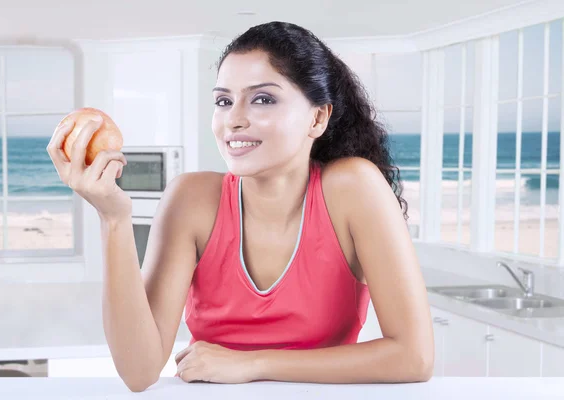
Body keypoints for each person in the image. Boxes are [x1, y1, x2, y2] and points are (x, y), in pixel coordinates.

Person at [47, 21, 433, 392]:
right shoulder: (191, 200)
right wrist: (114, 219)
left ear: (318, 117)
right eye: (223, 101)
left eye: (262, 99)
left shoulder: (353, 187)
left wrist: (251, 364)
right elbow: (139, 371)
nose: (234, 120)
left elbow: (413, 357)